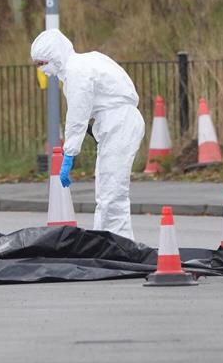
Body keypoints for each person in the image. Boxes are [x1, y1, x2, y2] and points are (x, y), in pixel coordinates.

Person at [30, 29, 144, 240]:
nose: (42, 70)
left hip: (119, 125)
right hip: (118, 122)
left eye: (42, 63)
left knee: (112, 193)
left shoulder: (76, 71)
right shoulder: (88, 60)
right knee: (106, 191)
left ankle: (119, 247)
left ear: (54, 56)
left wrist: (70, 153)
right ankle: (106, 242)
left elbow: (77, 114)